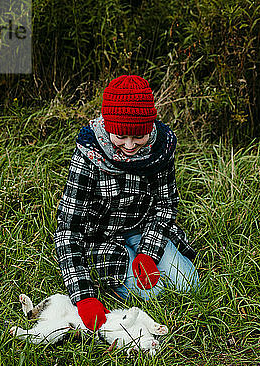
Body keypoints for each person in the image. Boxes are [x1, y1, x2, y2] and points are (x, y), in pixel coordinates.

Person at [54, 75, 198, 332]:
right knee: (154, 296)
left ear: (150, 127)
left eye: (139, 136)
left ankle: (138, 254)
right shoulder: (89, 154)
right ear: (108, 126)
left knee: (188, 285)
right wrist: (84, 297)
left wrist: (148, 253)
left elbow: (166, 205)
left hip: (144, 228)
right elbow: (68, 229)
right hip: (102, 238)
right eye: (120, 136)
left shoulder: (160, 150)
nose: (130, 146)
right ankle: (117, 272)